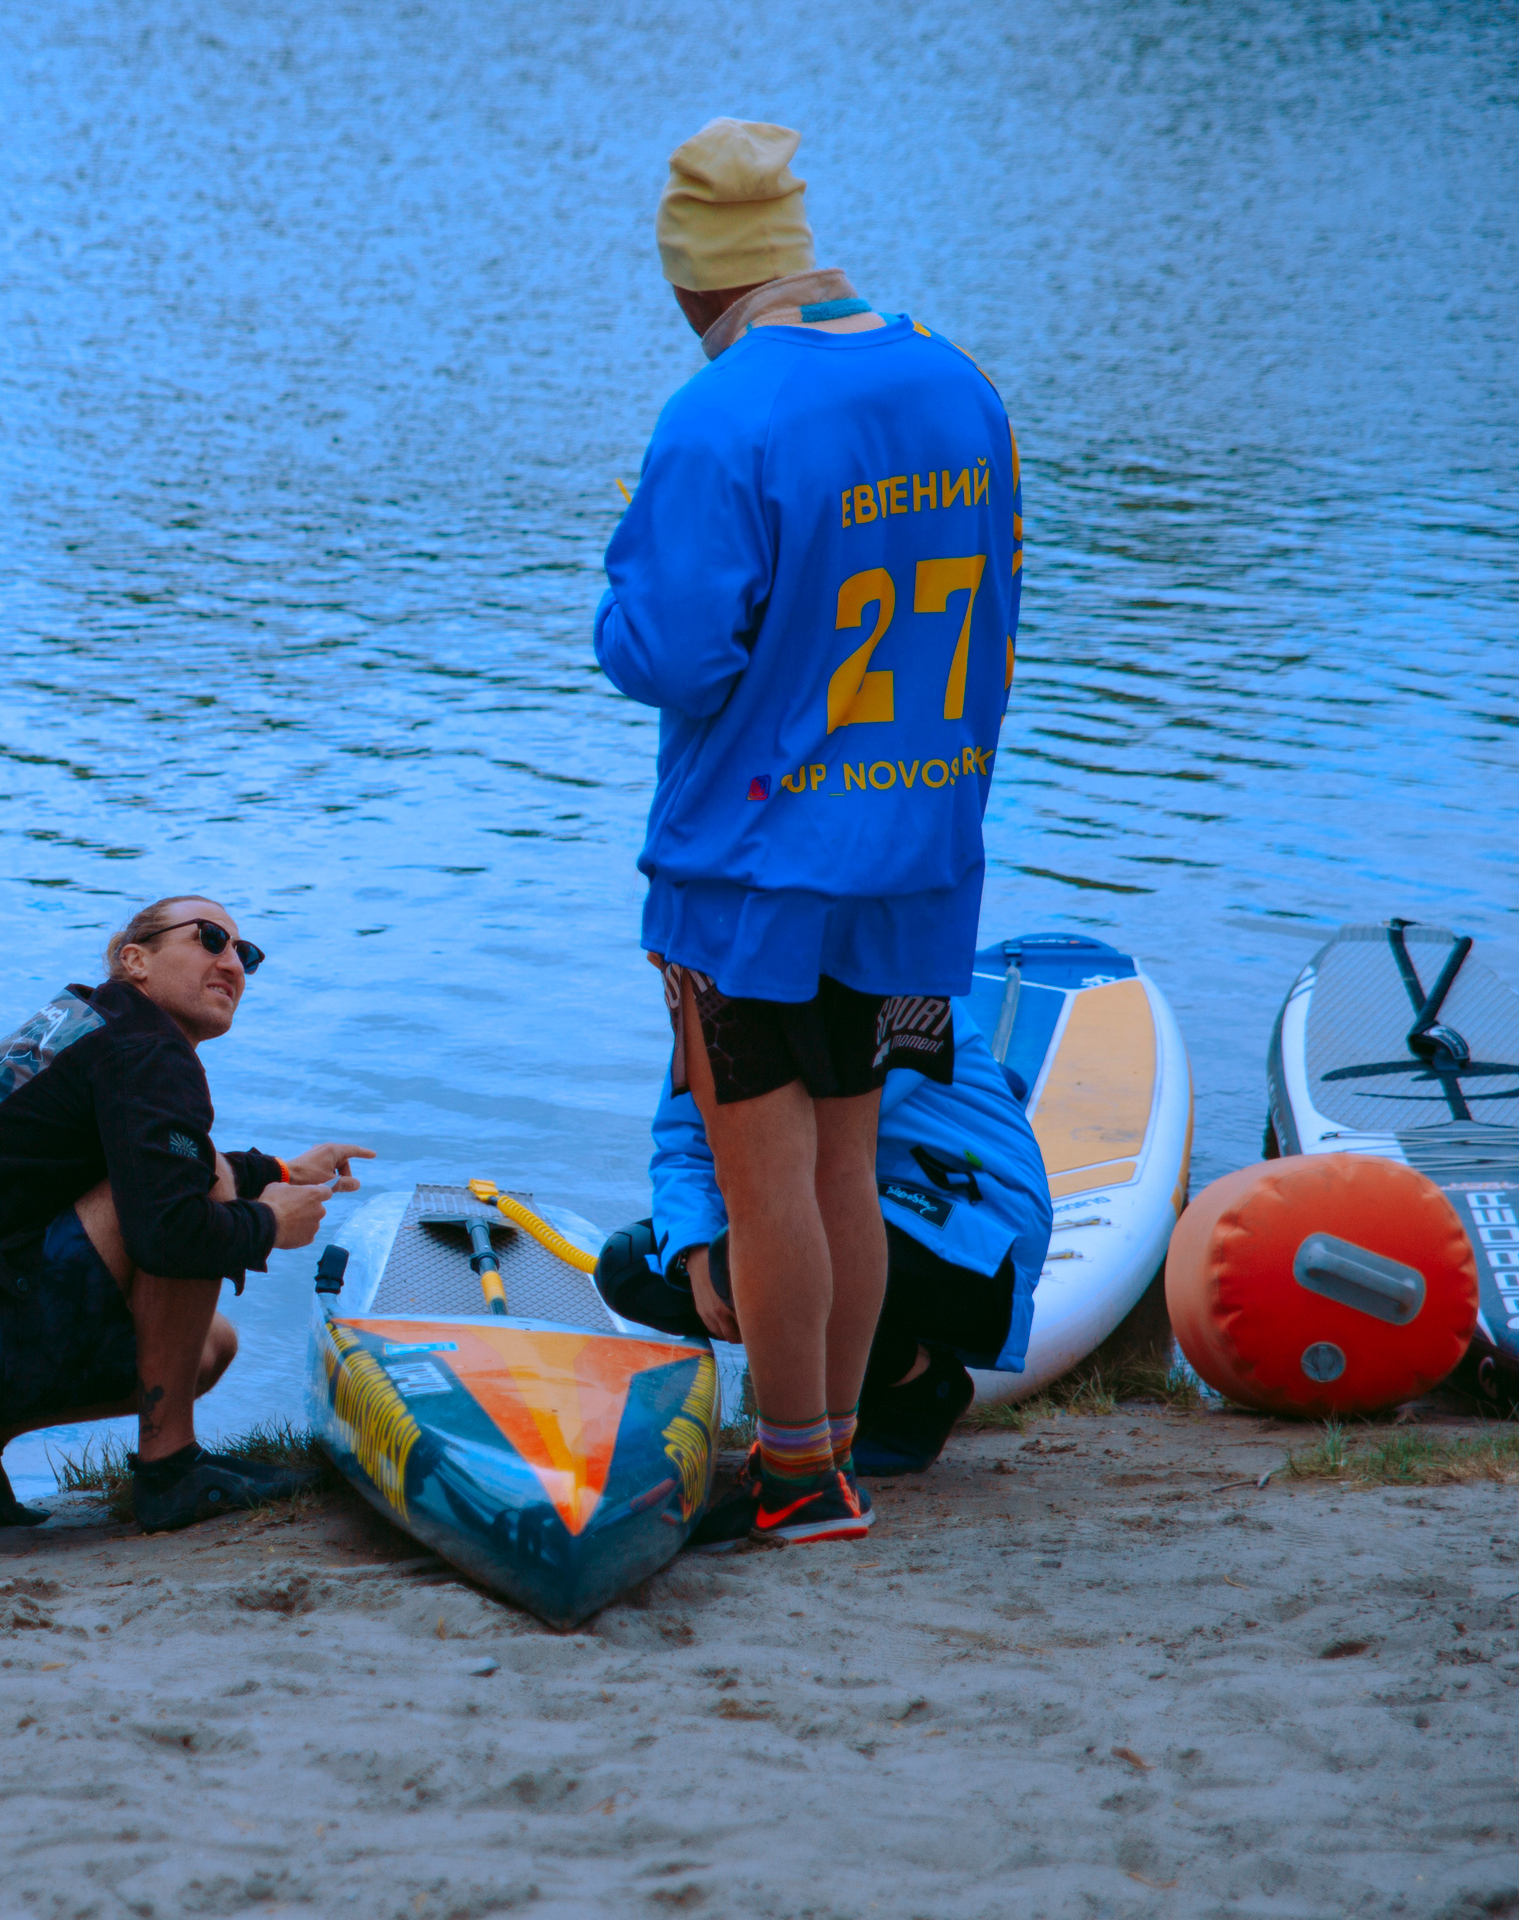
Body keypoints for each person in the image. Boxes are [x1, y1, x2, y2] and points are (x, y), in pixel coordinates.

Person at [593, 119, 1022, 1548]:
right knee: (849, 1160)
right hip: (916, 853)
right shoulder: (958, 385)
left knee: (763, 1177)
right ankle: (829, 1449)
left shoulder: (719, 416)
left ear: (691, 282)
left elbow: (668, 656)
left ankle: (792, 1473)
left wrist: (628, 552)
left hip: (756, 870)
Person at [0, 896, 373, 1533]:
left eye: (247, 954)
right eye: (210, 939)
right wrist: (270, 1224)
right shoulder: (147, 1051)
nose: (234, 963)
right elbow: (170, 1231)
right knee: (190, 1194)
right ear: (137, 960)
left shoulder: (95, 1027)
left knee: (211, 1348)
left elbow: (148, 1156)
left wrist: (283, 1173)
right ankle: (169, 1469)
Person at [595, 994, 1052, 1475]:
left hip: (976, 1229)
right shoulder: (714, 1002)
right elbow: (682, 1149)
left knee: (762, 1249)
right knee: (634, 1264)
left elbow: (788, 1139)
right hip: (859, 1205)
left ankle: (919, 1387)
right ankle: (864, 1387)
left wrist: (730, 1260)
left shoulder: (874, 979)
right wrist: (691, 1251)